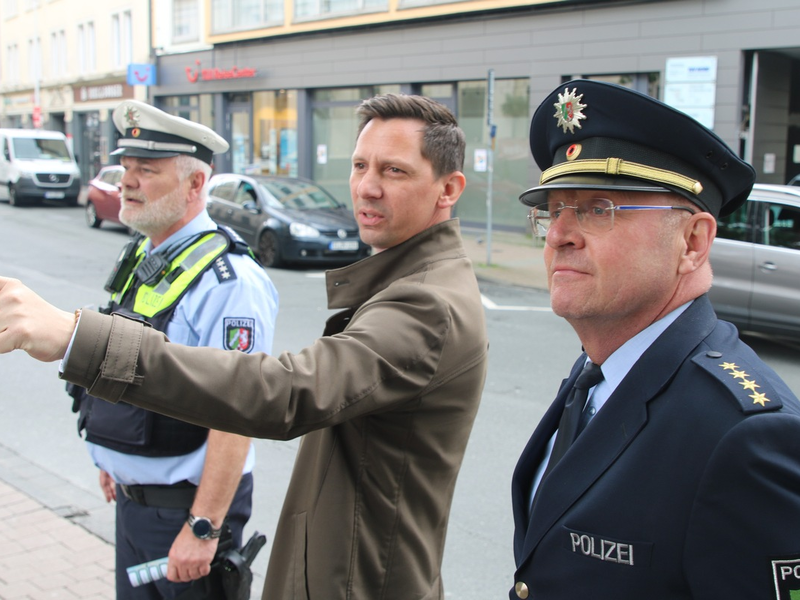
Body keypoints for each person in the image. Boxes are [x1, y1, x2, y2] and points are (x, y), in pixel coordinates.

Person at [0, 93, 489, 600]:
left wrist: (76, 337)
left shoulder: (425, 304)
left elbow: (276, 394)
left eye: (393, 171)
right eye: (360, 165)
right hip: (306, 561)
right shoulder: (402, 282)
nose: (366, 186)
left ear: (448, 189)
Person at [509, 79, 800, 600]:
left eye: (600, 208)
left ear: (693, 242)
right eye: (554, 210)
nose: (559, 234)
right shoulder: (596, 372)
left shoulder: (745, 436)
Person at [69, 100, 279, 599]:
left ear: (194, 185)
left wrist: (204, 527)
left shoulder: (230, 281)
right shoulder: (146, 253)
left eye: (147, 170)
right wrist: (112, 461)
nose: (127, 181)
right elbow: (122, 357)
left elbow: (236, 415)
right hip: (135, 504)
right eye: (127, 168)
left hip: (186, 514)